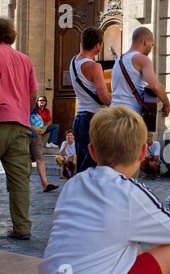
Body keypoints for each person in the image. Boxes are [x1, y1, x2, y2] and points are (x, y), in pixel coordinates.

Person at [38, 106, 170, 274]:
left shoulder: (73, 184)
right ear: (143, 152)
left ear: (91, 151)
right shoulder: (129, 192)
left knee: (132, 245)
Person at [0, 16, 39, 240]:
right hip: (20, 126)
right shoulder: (24, 59)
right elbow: (33, 94)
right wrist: (23, 113)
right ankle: (22, 227)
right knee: (20, 179)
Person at [110, 26, 170, 179]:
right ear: (146, 41)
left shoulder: (119, 61)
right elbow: (155, 85)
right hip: (131, 117)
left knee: (115, 162)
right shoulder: (142, 59)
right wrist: (167, 103)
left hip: (112, 116)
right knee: (131, 163)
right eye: (152, 44)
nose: (152, 47)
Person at [70, 27, 111, 173]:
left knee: (83, 164)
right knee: (94, 164)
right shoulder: (94, 66)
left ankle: (80, 193)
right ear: (98, 45)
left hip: (80, 118)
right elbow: (105, 98)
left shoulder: (74, 61)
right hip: (94, 119)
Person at [28, 110, 59, 193]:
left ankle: (45, 184)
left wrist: (42, 129)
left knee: (40, 159)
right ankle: (21, 183)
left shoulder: (36, 107)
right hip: (25, 135)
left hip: (36, 136)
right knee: (25, 160)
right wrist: (34, 128)